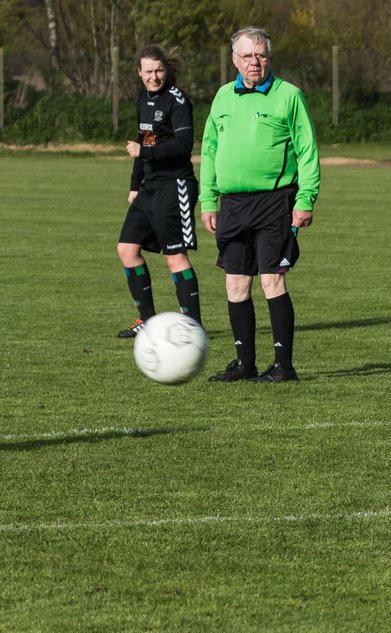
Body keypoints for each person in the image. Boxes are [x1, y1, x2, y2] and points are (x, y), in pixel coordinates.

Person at [199, 26, 319, 382]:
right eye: (248, 56)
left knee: (271, 281)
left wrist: (305, 198)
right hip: (232, 204)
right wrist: (208, 199)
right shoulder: (222, 97)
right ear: (235, 60)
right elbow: (209, 150)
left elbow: (307, 150)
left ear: (269, 58)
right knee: (235, 284)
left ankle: (283, 366)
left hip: (275, 202)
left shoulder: (289, 96)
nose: (255, 62)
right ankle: (244, 363)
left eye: (261, 55)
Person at [115, 44, 201, 338]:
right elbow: (145, 138)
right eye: (148, 71)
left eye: (159, 70)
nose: (154, 76)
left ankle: (192, 325)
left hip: (175, 185)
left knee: (174, 257)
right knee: (127, 249)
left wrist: (145, 152)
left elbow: (182, 145)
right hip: (149, 188)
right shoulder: (144, 99)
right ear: (139, 72)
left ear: (167, 70)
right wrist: (134, 185)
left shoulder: (177, 101)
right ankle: (147, 321)